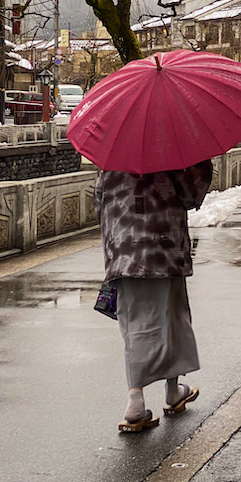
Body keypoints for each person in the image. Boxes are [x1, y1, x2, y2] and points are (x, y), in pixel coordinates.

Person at [95, 159, 213, 433]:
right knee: (172, 318)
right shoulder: (172, 153)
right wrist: (202, 164)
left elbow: (99, 201)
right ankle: (167, 393)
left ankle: (139, 398)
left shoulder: (112, 158)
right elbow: (190, 196)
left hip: (124, 252)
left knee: (135, 325)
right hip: (164, 249)